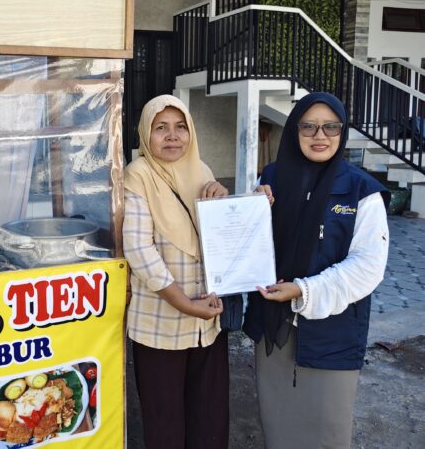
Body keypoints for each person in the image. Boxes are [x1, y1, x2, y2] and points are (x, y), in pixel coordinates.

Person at [244, 92, 390, 448]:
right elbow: (250, 247)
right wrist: (252, 208)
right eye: (308, 126)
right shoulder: (273, 177)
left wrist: (304, 290)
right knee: (278, 426)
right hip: (274, 329)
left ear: (343, 132)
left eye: (330, 127)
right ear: (294, 130)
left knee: (327, 430)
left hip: (332, 333)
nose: (319, 135)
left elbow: (368, 267)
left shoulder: (362, 191)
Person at [124, 94, 229, 449]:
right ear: (146, 133)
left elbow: (218, 238)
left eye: (180, 127)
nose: (172, 136)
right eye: (161, 128)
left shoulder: (202, 171)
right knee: (165, 421)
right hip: (161, 324)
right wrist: (185, 304)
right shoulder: (138, 175)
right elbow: (139, 250)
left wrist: (222, 200)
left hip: (206, 322)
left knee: (208, 415)